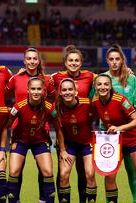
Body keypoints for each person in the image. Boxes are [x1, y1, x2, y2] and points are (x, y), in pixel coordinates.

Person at [92, 74, 136, 203]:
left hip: (134, 139)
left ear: (111, 86)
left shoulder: (120, 100)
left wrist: (120, 128)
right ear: (95, 87)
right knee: (109, 176)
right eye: (99, 84)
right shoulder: (95, 102)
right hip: (114, 142)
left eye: (106, 84)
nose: (103, 87)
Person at [49, 45, 96, 202]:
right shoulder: (57, 77)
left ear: (81, 62)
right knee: (63, 171)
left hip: (84, 131)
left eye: (77, 60)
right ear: (65, 62)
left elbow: (107, 79)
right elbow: (39, 79)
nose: (74, 63)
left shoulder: (89, 76)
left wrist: (124, 71)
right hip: (65, 132)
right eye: (71, 60)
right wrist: (23, 72)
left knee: (84, 172)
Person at [5, 77, 62, 203]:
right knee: (14, 171)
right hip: (20, 141)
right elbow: (6, 126)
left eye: (39, 89)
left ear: (43, 90)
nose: (36, 92)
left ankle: (45, 201)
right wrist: (2, 149)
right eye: (33, 89)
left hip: (40, 141)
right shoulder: (19, 106)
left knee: (47, 171)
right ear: (28, 90)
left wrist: (61, 147)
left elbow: (58, 127)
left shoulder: (49, 107)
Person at [5, 47, 51, 202]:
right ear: (24, 61)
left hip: (41, 130)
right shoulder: (16, 78)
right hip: (19, 130)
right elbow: (1, 94)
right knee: (16, 169)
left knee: (43, 170)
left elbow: (56, 97)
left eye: (35, 59)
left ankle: (43, 199)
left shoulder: (47, 79)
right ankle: (15, 199)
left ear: (38, 61)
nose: (32, 61)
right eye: (29, 59)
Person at [102, 44, 136, 203]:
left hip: (131, 131)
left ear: (122, 61)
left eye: (117, 59)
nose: (114, 62)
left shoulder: (131, 78)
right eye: (111, 59)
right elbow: (93, 102)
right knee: (109, 173)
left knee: (134, 172)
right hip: (110, 135)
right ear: (107, 61)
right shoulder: (102, 79)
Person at [55, 78, 97, 202]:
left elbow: (102, 111)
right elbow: (59, 130)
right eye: (64, 90)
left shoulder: (87, 103)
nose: (67, 92)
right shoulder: (57, 107)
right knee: (63, 175)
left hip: (87, 144)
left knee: (90, 175)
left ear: (76, 91)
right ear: (60, 92)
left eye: (70, 89)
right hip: (69, 145)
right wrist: (62, 150)